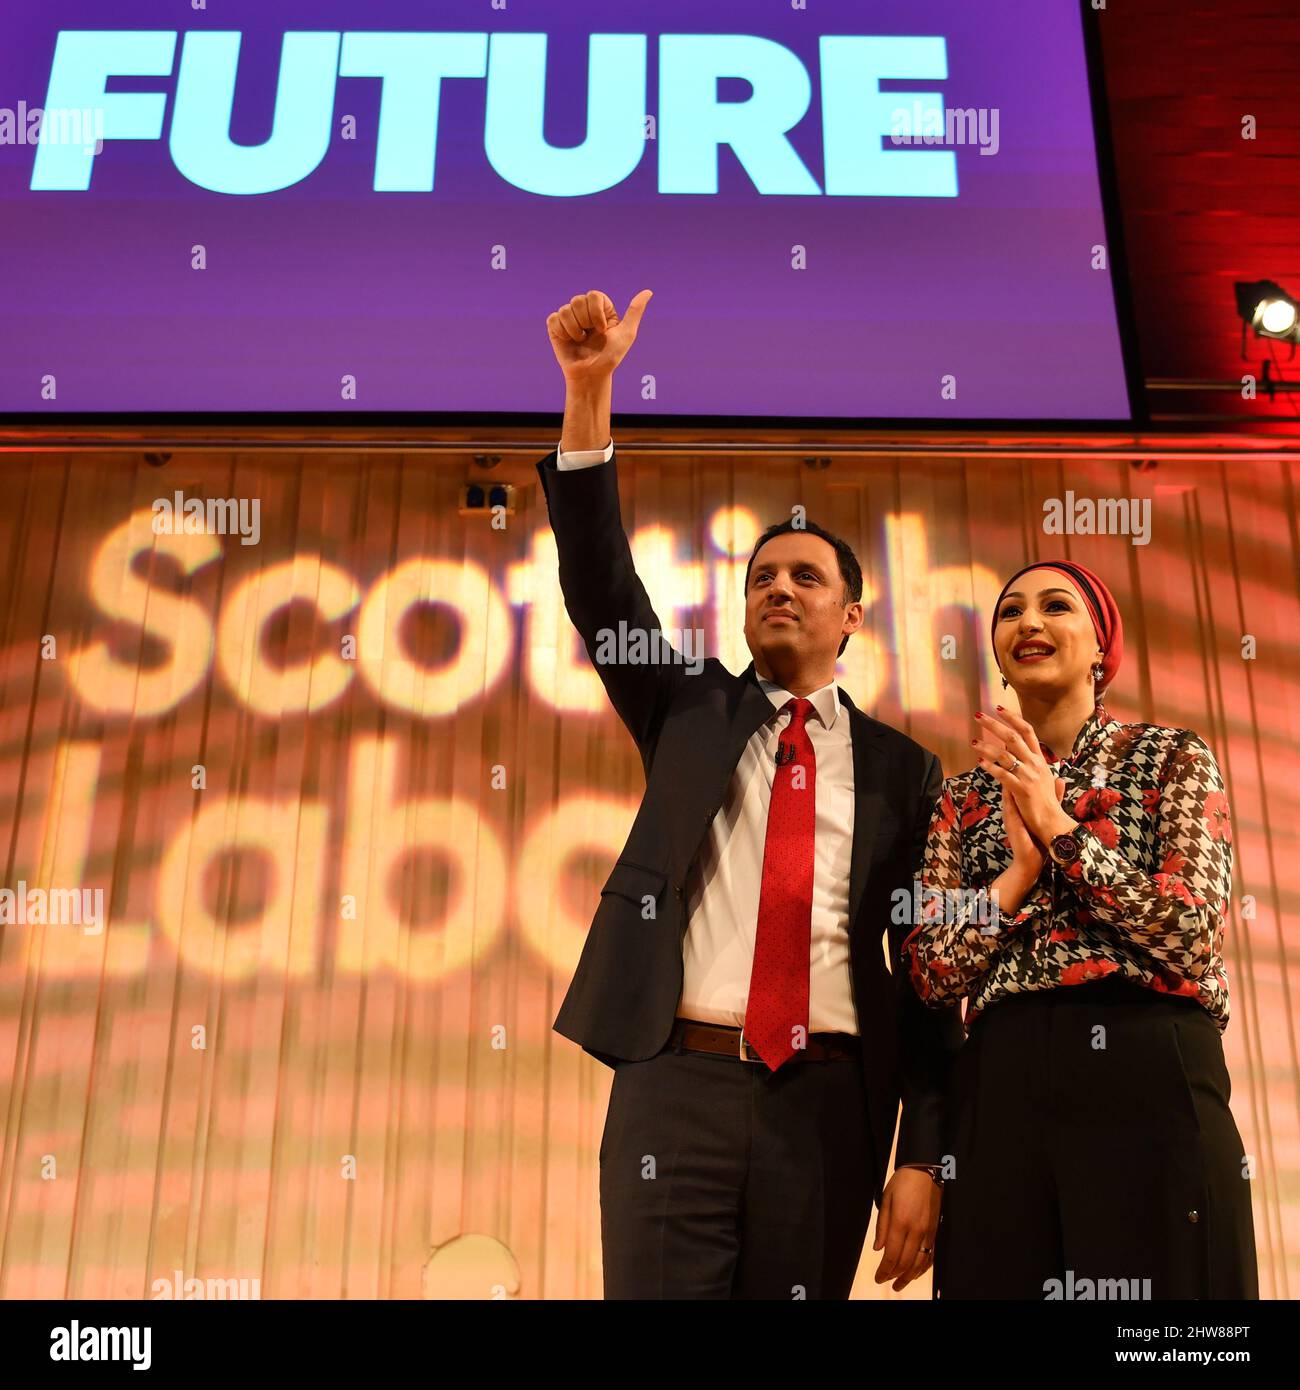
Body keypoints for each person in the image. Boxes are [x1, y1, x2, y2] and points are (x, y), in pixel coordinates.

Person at [537, 289, 963, 1299]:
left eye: (805, 577)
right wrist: (590, 393)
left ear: (851, 614)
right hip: (672, 1081)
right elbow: (602, 590)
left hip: (829, 1103)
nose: (777, 587)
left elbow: (930, 973)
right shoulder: (686, 709)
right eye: (762, 575)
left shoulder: (907, 770)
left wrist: (923, 1153)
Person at [904, 559, 1259, 1299]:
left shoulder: (1169, 757)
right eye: (1010, 612)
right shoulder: (964, 795)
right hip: (1001, 1083)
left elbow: (1189, 930)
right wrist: (1014, 879)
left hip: (1148, 1060)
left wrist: (1059, 829)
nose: (1029, 623)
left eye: (1056, 606)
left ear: (1102, 646)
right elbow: (932, 968)